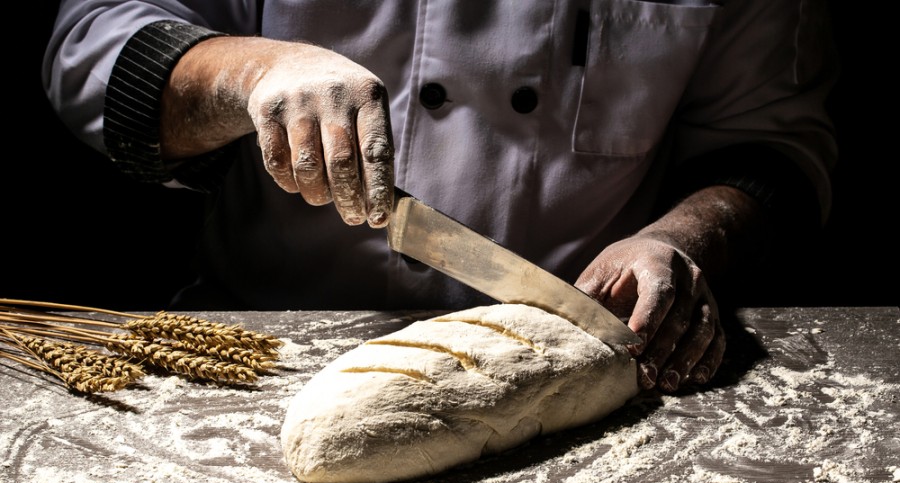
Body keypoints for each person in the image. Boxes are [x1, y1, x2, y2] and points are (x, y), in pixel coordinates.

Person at [43, 1, 838, 393]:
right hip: (265, 337)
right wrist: (247, 72)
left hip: (572, 356)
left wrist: (684, 238)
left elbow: (771, 139)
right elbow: (92, 45)